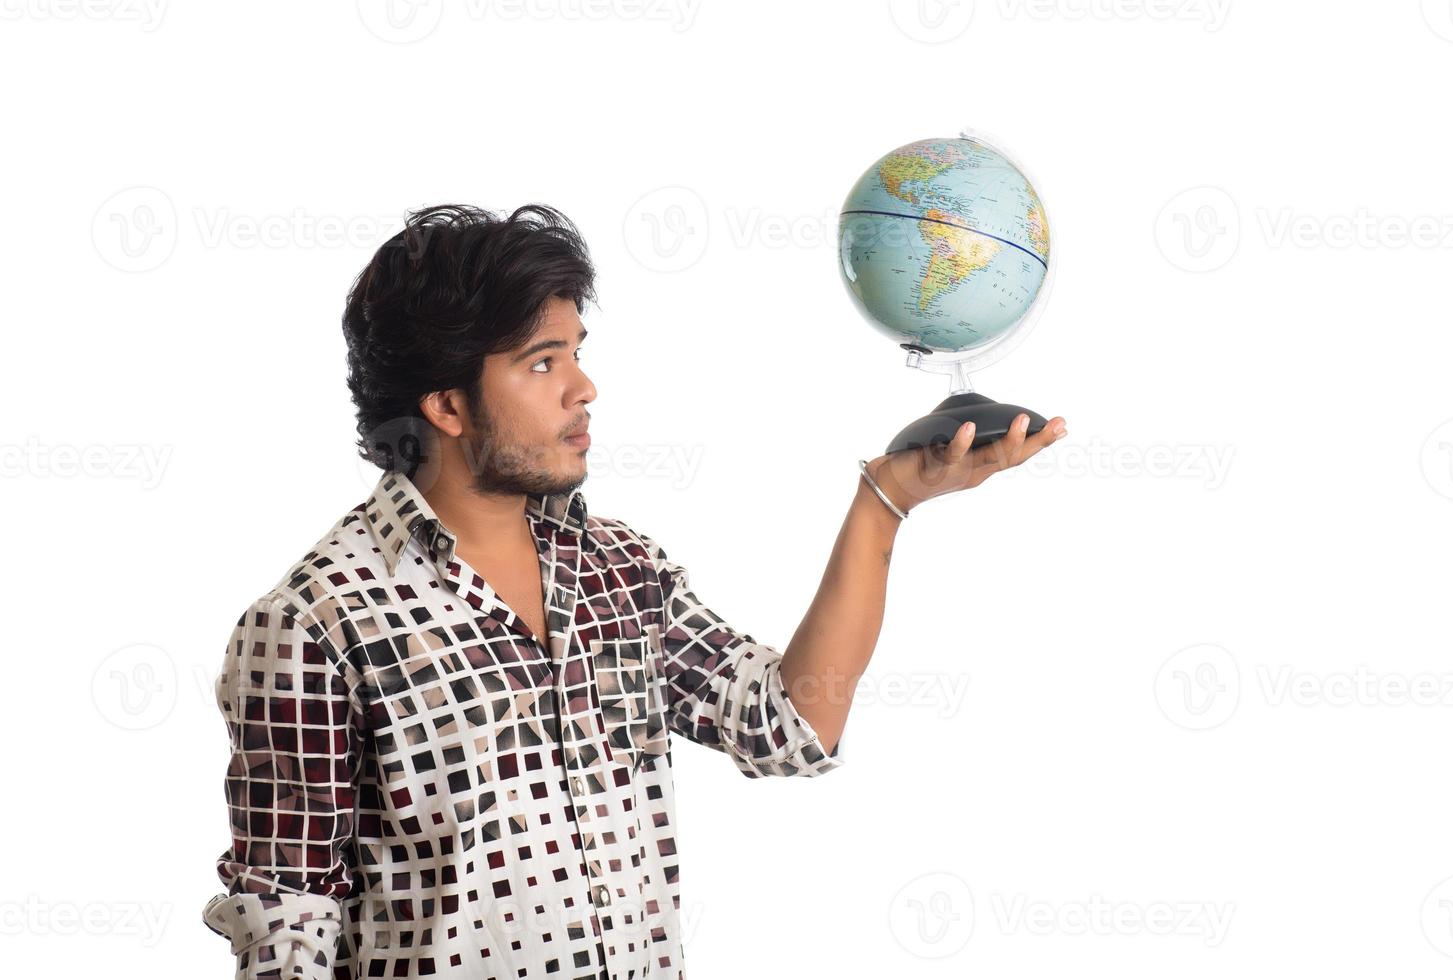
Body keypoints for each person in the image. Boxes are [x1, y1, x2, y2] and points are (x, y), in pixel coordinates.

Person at [201, 203, 1066, 979]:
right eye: (542, 364)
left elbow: (791, 724)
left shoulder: (622, 571)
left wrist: (886, 502)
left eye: (576, 354)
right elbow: (288, 918)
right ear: (447, 406)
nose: (585, 388)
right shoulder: (316, 623)